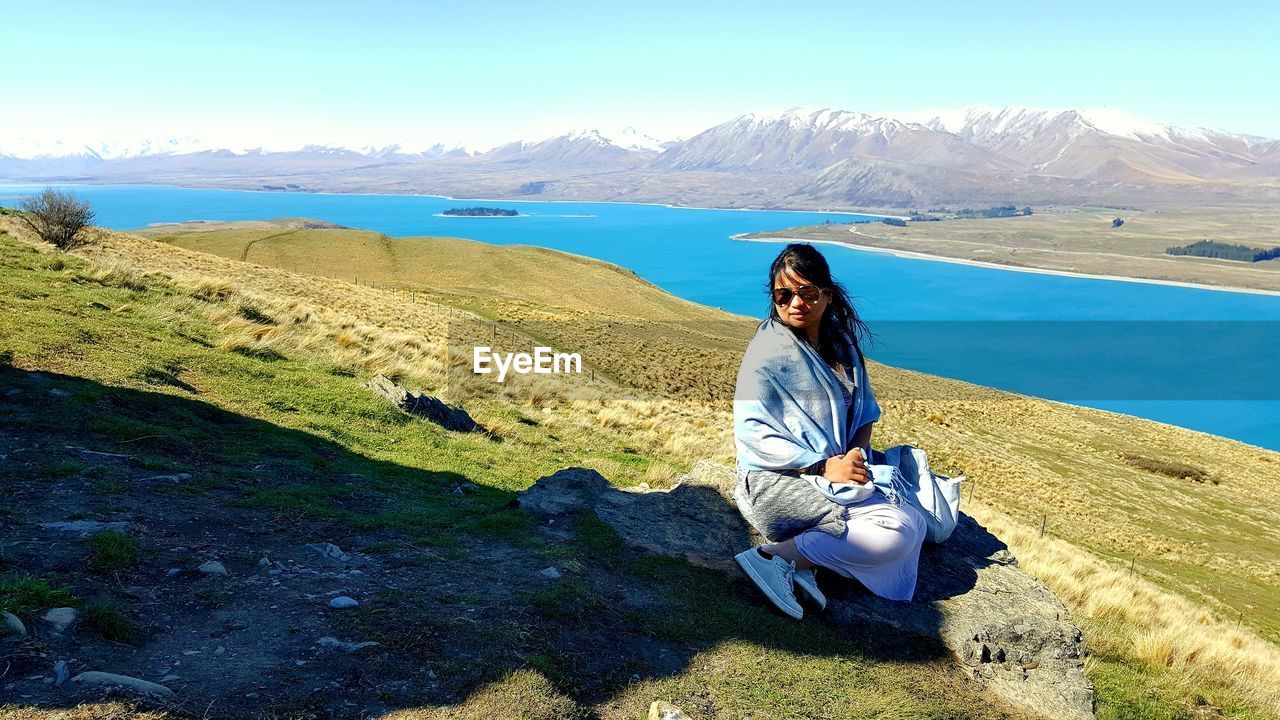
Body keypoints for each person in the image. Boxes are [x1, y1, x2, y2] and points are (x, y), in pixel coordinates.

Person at [732, 243, 926, 619]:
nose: (795, 304)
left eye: (807, 293)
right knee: (894, 533)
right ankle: (771, 558)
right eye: (783, 295)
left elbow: (865, 413)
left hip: (837, 470)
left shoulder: (842, 344)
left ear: (827, 294)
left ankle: (805, 565)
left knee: (915, 522)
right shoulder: (768, 354)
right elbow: (753, 434)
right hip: (778, 479)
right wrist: (822, 467)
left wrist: (854, 454)